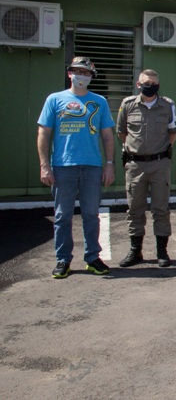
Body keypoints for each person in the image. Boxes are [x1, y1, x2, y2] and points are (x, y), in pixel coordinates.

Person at [37, 57, 116, 278]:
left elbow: (108, 136)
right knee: (63, 216)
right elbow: (44, 134)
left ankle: (92, 257)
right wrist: (45, 165)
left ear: (91, 77)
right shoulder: (55, 100)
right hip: (63, 166)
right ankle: (63, 260)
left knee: (91, 214)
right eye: (78, 71)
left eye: (87, 73)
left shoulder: (99, 101)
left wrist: (109, 164)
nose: (82, 76)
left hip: (92, 167)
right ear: (70, 73)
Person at [117, 69, 176, 268]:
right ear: (138, 85)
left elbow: (173, 132)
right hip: (135, 165)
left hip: (160, 164)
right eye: (147, 83)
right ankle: (136, 251)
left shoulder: (167, 106)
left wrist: (161, 150)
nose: (150, 86)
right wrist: (134, 150)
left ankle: (162, 251)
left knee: (160, 209)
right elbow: (122, 132)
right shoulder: (128, 105)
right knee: (135, 208)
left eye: (154, 83)